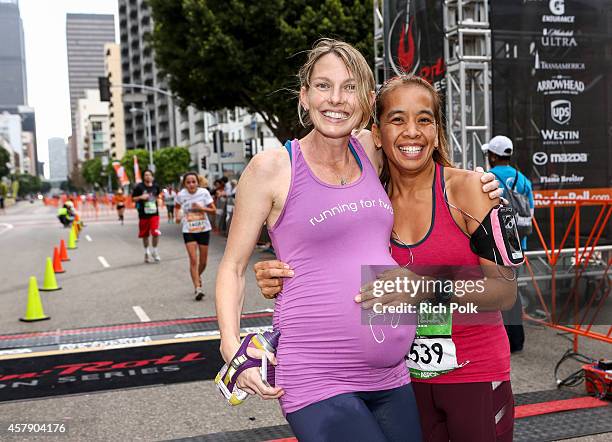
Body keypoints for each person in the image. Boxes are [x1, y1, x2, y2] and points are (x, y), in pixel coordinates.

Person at [216, 39, 499, 441]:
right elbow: (232, 267)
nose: (336, 99)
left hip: (392, 374)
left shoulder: (370, 148)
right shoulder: (272, 168)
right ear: (305, 95)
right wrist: (230, 344)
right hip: (316, 374)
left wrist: (479, 181)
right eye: (323, 85)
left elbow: (417, 152)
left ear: (366, 100)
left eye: (349, 87)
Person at [483, 135, 534, 353]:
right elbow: (530, 212)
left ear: (493, 156)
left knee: (496, 294)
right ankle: (517, 340)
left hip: (494, 247)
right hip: (517, 245)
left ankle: (502, 341)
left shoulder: (486, 179)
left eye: (488, 154)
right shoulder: (523, 180)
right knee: (512, 292)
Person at [175, 172, 216, 301]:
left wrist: (201, 208)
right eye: (188, 182)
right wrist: (177, 216)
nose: (191, 184)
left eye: (194, 181)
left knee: (203, 262)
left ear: (197, 182)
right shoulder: (181, 195)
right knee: (193, 260)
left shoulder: (204, 193)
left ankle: (196, 277)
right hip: (189, 230)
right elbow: (176, 208)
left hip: (203, 229)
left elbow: (214, 211)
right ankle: (198, 288)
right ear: (184, 184)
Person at [132, 169, 162, 263]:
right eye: (146, 175)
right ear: (143, 177)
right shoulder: (139, 187)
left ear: (152, 176)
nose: (147, 177)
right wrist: (141, 197)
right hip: (143, 214)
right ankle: (146, 253)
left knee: (155, 232)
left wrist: (159, 200)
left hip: (154, 213)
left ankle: (155, 251)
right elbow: (133, 198)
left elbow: (158, 195)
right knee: (145, 235)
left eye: (149, 175)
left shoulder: (156, 186)